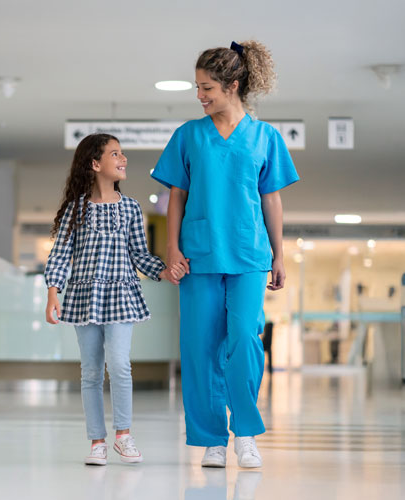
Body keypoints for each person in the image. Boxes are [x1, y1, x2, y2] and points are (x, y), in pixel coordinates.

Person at [151, 40, 299, 468]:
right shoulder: (189, 135)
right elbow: (176, 196)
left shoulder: (265, 137)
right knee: (199, 347)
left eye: (207, 88)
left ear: (232, 86)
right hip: (198, 255)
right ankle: (213, 438)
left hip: (249, 254)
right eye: (197, 88)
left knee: (245, 342)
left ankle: (246, 434)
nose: (200, 96)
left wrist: (279, 255)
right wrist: (172, 248)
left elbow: (271, 201)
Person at [44, 134, 184, 466]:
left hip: (121, 294)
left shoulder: (131, 208)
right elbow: (61, 254)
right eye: (115, 154)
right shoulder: (75, 210)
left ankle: (123, 435)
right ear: (95, 164)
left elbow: (139, 254)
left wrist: (164, 271)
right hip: (83, 297)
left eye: (123, 154)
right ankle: (97, 441)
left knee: (120, 365)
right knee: (91, 372)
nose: (123, 159)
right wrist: (53, 291)